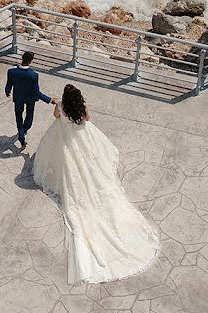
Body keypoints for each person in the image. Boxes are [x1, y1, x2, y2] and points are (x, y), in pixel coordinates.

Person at [32, 84, 159, 284]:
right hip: (83, 137)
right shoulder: (81, 106)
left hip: (65, 140)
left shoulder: (61, 105)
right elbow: (88, 120)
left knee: (67, 169)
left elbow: (56, 117)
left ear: (65, 96)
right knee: (93, 165)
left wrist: (57, 105)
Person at [4, 51, 54, 148]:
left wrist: (7, 91)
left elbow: (9, 84)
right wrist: (49, 100)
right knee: (29, 116)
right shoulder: (33, 75)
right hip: (30, 99)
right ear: (31, 61)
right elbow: (36, 92)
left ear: (22, 58)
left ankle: (21, 136)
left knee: (18, 116)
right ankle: (24, 130)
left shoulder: (12, 72)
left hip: (18, 98)